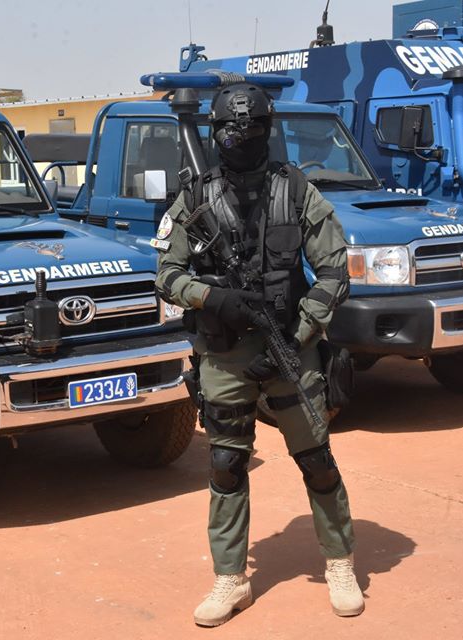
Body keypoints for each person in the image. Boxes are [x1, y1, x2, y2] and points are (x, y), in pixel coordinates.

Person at [154, 82, 364, 627]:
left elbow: (337, 272)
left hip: (291, 345)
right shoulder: (195, 199)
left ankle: (339, 562)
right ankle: (230, 578)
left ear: (267, 130)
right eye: (227, 127)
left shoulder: (297, 192)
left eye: (249, 127)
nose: (238, 137)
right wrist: (213, 296)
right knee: (225, 463)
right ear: (213, 133)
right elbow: (167, 275)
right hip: (224, 355)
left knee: (316, 459)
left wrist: (295, 339)